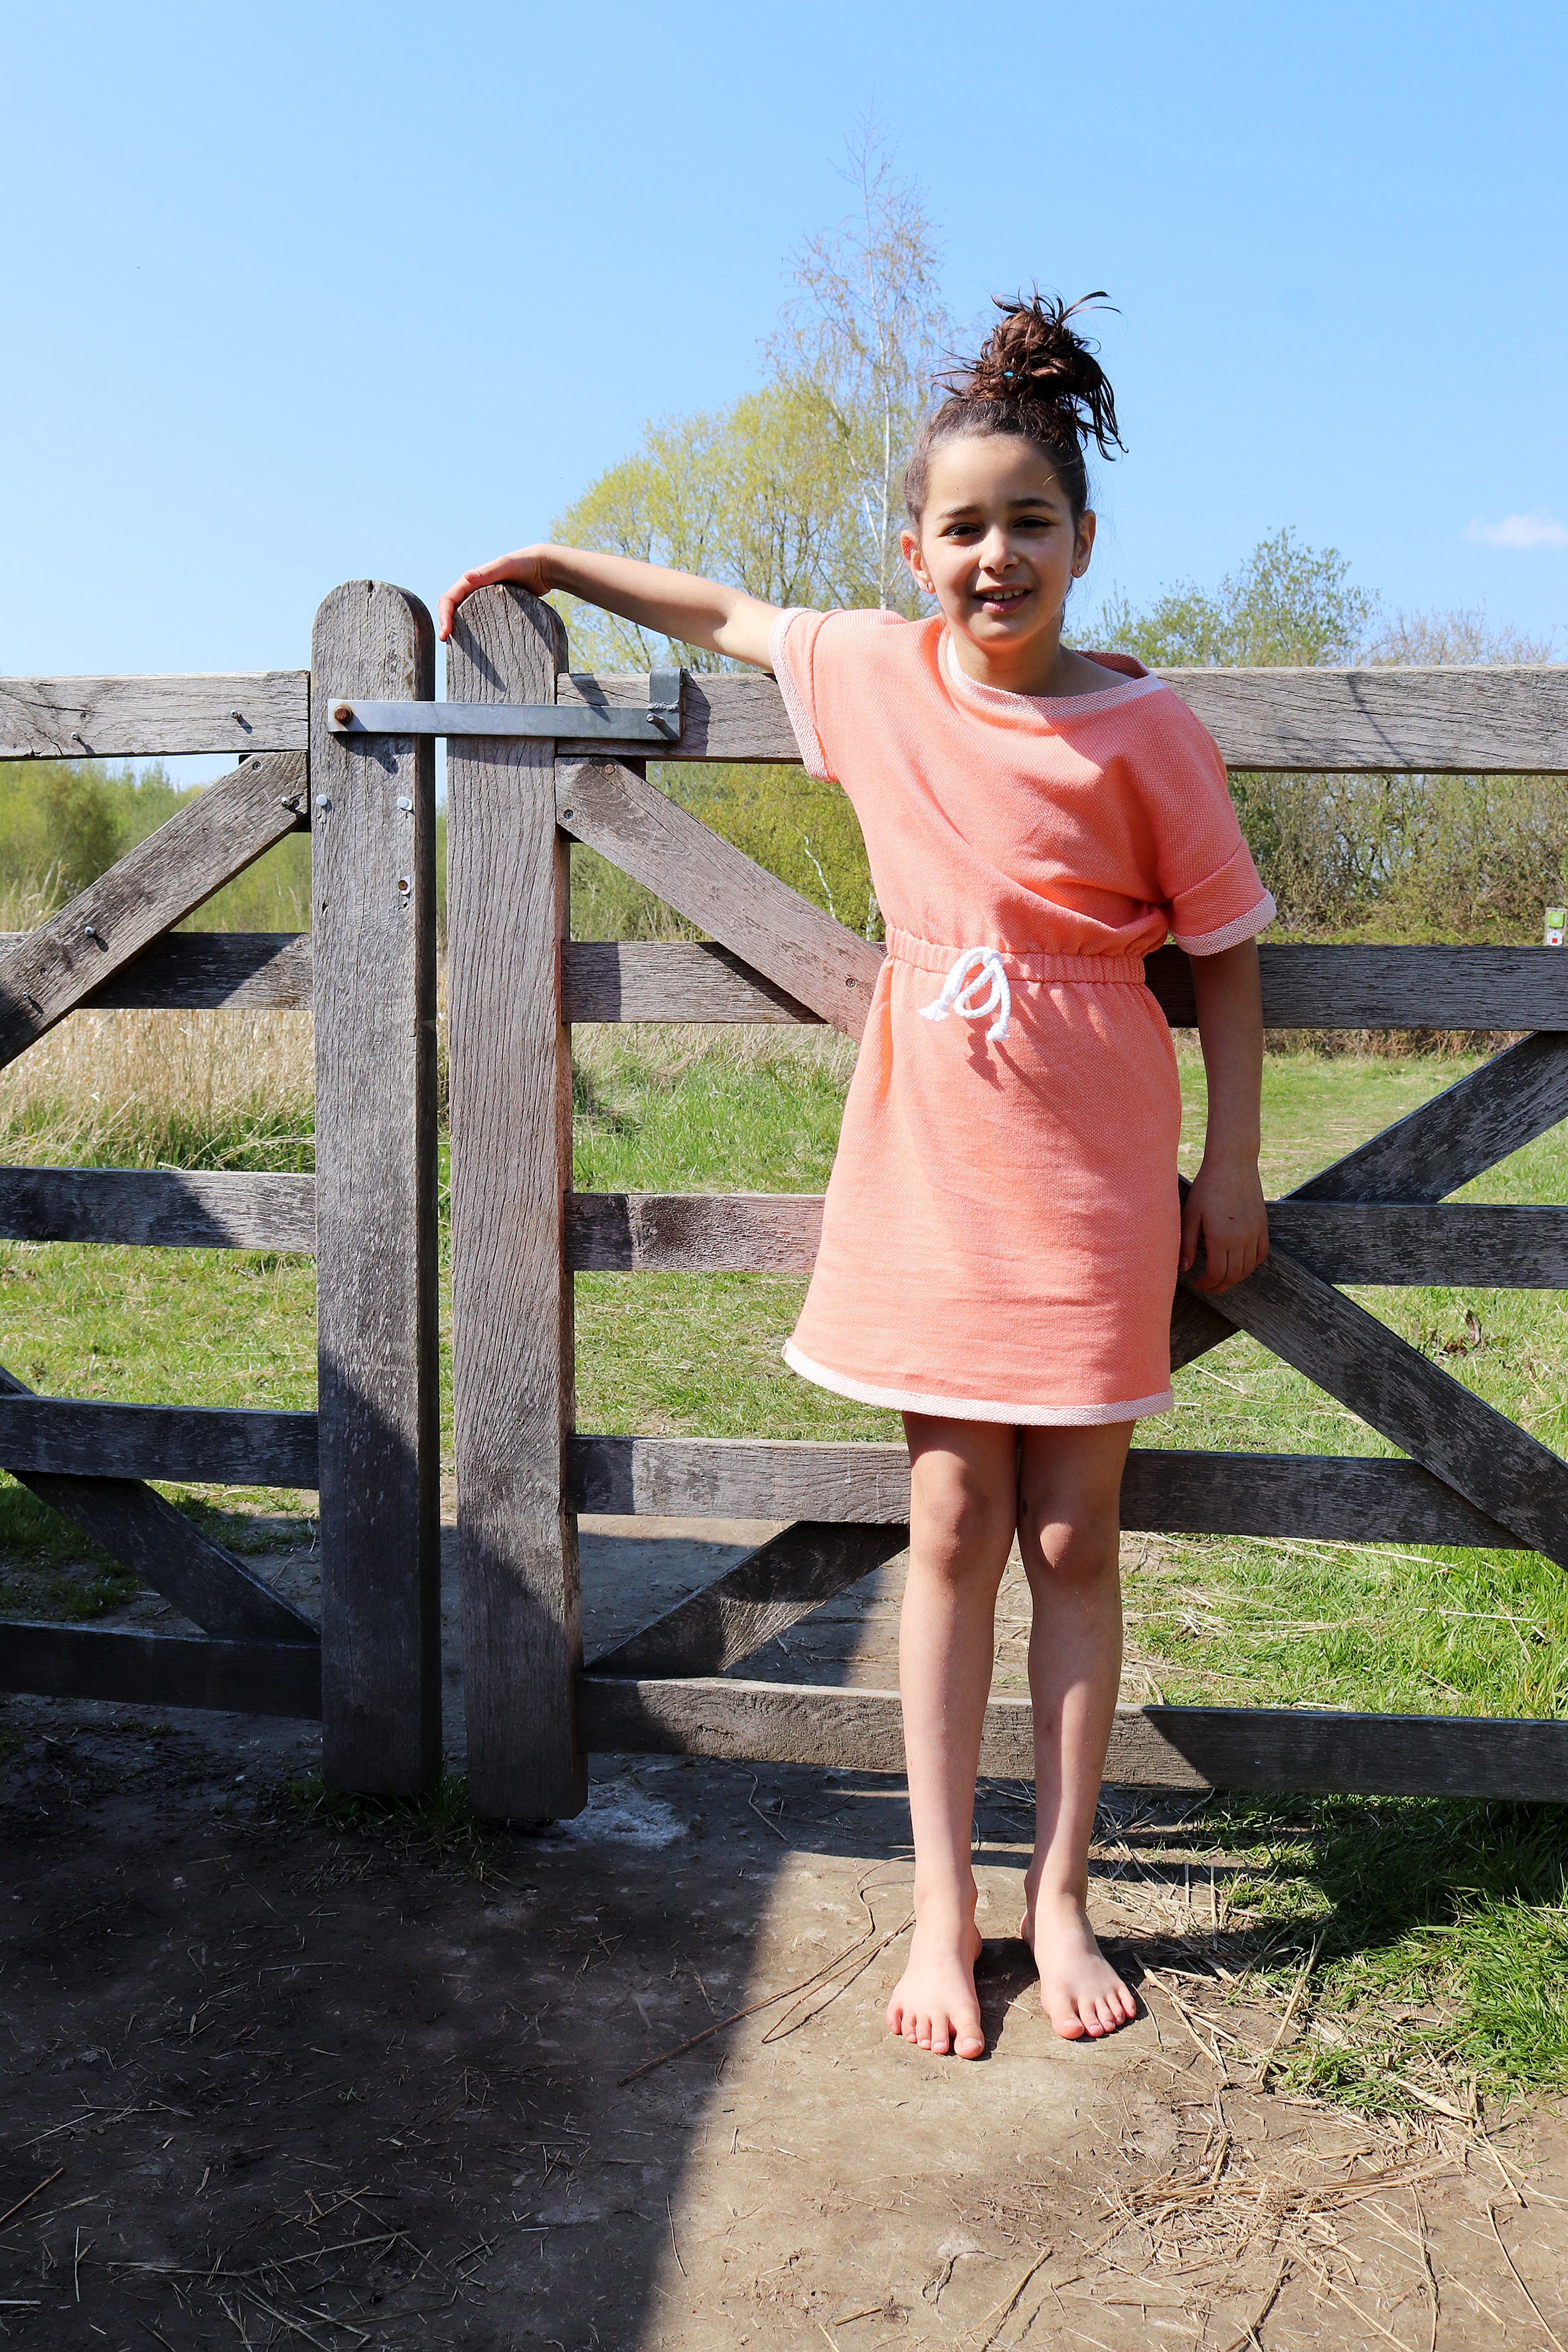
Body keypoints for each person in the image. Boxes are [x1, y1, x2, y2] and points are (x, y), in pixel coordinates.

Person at [438, 291, 1272, 2061]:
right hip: (932, 1154)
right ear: (916, 554)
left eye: (1028, 523)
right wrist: (562, 564)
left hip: (1094, 1166)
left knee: (1073, 1532)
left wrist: (1232, 1165)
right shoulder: (879, 675)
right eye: (961, 528)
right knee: (952, 1521)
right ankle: (941, 1905)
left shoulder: (1148, 733)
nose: (994, 556)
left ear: (1083, 542)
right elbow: (727, 613)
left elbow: (1225, 953)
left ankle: (1058, 1894)